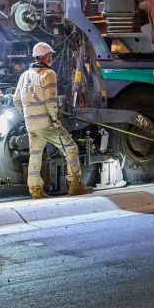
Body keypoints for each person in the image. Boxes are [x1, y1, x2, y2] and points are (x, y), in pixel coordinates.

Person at [12, 42, 92, 199]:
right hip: (46, 124)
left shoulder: (24, 76)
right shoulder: (48, 74)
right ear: (47, 56)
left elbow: (16, 100)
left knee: (35, 154)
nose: (52, 58)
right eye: (51, 55)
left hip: (31, 125)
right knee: (71, 148)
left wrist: (28, 113)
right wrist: (55, 119)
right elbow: (50, 101)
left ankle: (35, 190)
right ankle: (75, 185)